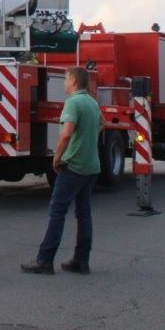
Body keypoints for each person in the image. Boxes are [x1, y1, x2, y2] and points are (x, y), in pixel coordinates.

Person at [22, 66, 100, 275]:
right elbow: (101, 124)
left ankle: (45, 260)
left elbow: (66, 134)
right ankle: (81, 260)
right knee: (84, 213)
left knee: (57, 212)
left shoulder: (73, 103)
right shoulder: (92, 102)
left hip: (73, 166)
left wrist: (57, 158)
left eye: (66, 79)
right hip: (91, 166)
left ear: (74, 81)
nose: (64, 83)